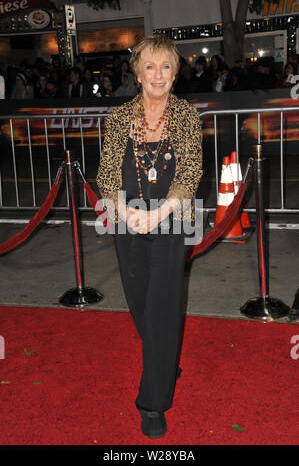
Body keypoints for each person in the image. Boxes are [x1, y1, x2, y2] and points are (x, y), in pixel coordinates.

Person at [96, 35, 203, 439]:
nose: (158, 75)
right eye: (150, 67)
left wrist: (159, 212)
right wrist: (123, 211)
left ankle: (153, 402)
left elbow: (190, 173)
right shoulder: (119, 118)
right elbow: (107, 173)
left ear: (174, 74)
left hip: (173, 220)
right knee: (140, 301)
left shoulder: (186, 116)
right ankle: (164, 353)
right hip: (126, 218)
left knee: (161, 304)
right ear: (137, 73)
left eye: (166, 67)